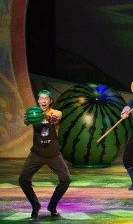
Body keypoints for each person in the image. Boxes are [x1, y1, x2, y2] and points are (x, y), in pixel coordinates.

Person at [18, 89, 72, 219]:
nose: (44, 101)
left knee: (65, 179)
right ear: (38, 101)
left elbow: (56, 118)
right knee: (23, 179)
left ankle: (52, 206)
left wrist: (48, 117)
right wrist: (27, 119)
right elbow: (27, 121)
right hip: (37, 153)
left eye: (46, 98)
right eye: (41, 98)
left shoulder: (56, 112)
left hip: (53, 153)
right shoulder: (33, 113)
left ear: (50, 101)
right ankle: (35, 205)